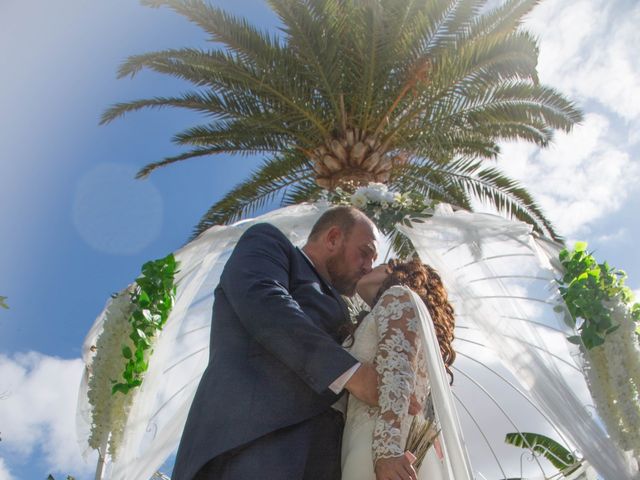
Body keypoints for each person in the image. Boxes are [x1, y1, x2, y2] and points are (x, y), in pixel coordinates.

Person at [171, 206, 381, 480]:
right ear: (332, 238)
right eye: (365, 252)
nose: (368, 266)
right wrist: (350, 373)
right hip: (254, 440)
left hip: (324, 458)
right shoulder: (271, 244)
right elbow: (264, 300)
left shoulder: (347, 306)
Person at [341, 259, 457, 480]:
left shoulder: (397, 296)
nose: (367, 267)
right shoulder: (394, 308)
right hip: (381, 441)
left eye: (377, 264)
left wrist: (387, 453)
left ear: (393, 272)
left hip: (379, 446)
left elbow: (398, 371)